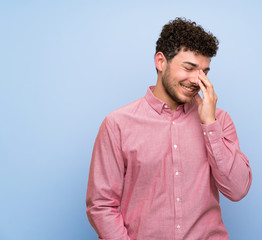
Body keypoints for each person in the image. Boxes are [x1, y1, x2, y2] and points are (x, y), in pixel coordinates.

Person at [86, 17, 252, 240]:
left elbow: (238, 189)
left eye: (204, 71)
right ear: (161, 62)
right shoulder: (117, 124)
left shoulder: (219, 121)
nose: (197, 80)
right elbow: (101, 206)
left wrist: (209, 124)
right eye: (189, 68)